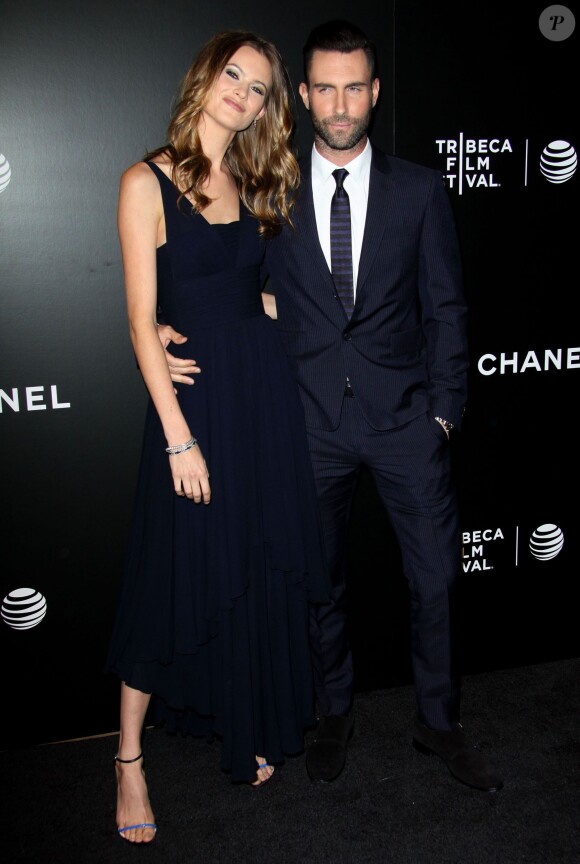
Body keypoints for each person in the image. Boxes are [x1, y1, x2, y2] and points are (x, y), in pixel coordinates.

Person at [158, 20, 503, 793]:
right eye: (326, 87)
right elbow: (220, 276)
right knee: (321, 583)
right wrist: (155, 318)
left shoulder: (419, 189)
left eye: (356, 87)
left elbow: (447, 306)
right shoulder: (265, 189)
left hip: (407, 420)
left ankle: (439, 722)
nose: (341, 103)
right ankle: (334, 711)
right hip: (305, 422)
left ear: (374, 94)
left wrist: (444, 412)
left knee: (436, 580)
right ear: (306, 96)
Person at [105, 29, 329, 844]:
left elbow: (255, 297)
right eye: (233, 74)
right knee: (170, 576)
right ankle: (127, 761)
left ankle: (246, 724)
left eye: (260, 86)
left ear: (269, 107)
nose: (243, 91)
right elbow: (139, 321)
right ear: (205, 77)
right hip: (194, 416)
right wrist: (177, 439)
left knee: (250, 567)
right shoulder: (146, 181)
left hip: (259, 404)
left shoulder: (255, 180)